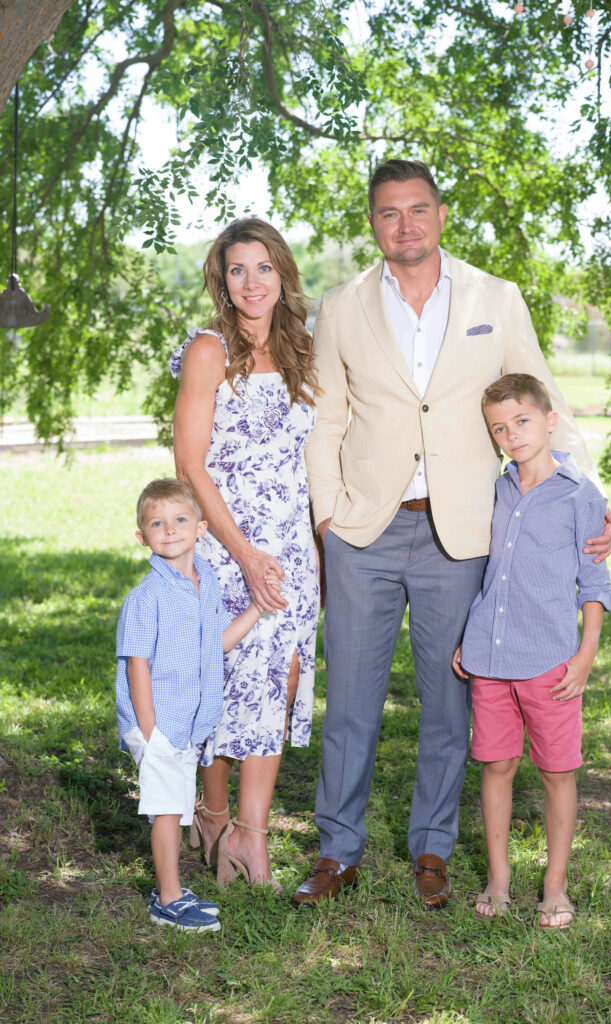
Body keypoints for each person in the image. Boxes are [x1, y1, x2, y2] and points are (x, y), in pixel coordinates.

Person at [292, 159, 611, 910]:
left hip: (462, 534)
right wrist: (327, 515)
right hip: (363, 530)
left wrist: (592, 491)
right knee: (349, 703)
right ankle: (338, 850)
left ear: (441, 214)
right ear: (372, 223)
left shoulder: (493, 298)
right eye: (387, 213)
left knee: (449, 702)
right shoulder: (341, 306)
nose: (403, 225)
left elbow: (543, 397)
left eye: (417, 210)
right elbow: (326, 418)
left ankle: (432, 848)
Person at [171, 218, 319, 889]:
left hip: (293, 545)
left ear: (282, 273)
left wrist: (310, 548)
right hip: (232, 544)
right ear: (222, 282)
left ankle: (252, 835)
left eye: (263, 268)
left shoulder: (303, 355)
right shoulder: (209, 351)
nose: (252, 282)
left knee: (280, 681)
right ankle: (212, 813)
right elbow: (190, 464)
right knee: (228, 682)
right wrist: (244, 552)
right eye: (238, 270)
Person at [452, 374, 611, 928]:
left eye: (521, 421)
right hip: (490, 660)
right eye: (500, 427)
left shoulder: (580, 496)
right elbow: (485, 574)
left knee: (556, 773)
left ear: (549, 420)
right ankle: (499, 880)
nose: (512, 434)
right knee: (496, 764)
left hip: (551, 662)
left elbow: (594, 583)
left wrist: (585, 654)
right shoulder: (495, 490)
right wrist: (468, 637)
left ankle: (555, 884)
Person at [116, 478, 262, 931]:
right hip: (160, 724)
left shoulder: (206, 581)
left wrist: (257, 607)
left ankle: (172, 888)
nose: (171, 529)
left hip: (187, 722)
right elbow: (136, 665)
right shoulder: (146, 597)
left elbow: (214, 643)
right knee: (167, 810)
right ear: (143, 537)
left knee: (176, 807)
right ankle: (168, 900)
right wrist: (150, 729)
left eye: (180, 519)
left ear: (201, 528)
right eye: (158, 523)